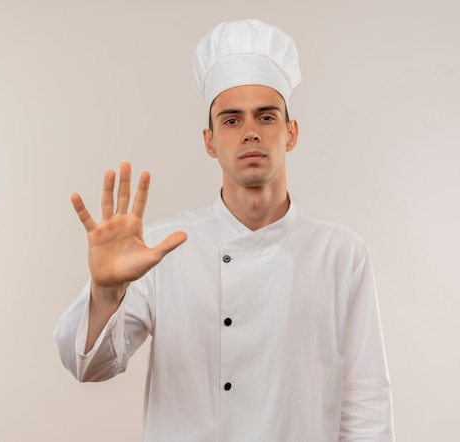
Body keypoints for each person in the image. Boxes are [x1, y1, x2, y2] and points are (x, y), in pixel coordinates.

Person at [54, 18, 394, 441]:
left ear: (291, 132)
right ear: (209, 141)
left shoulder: (342, 253)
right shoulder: (162, 247)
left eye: (265, 117)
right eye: (231, 120)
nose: (250, 131)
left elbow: (365, 402)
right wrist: (106, 291)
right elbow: (89, 366)